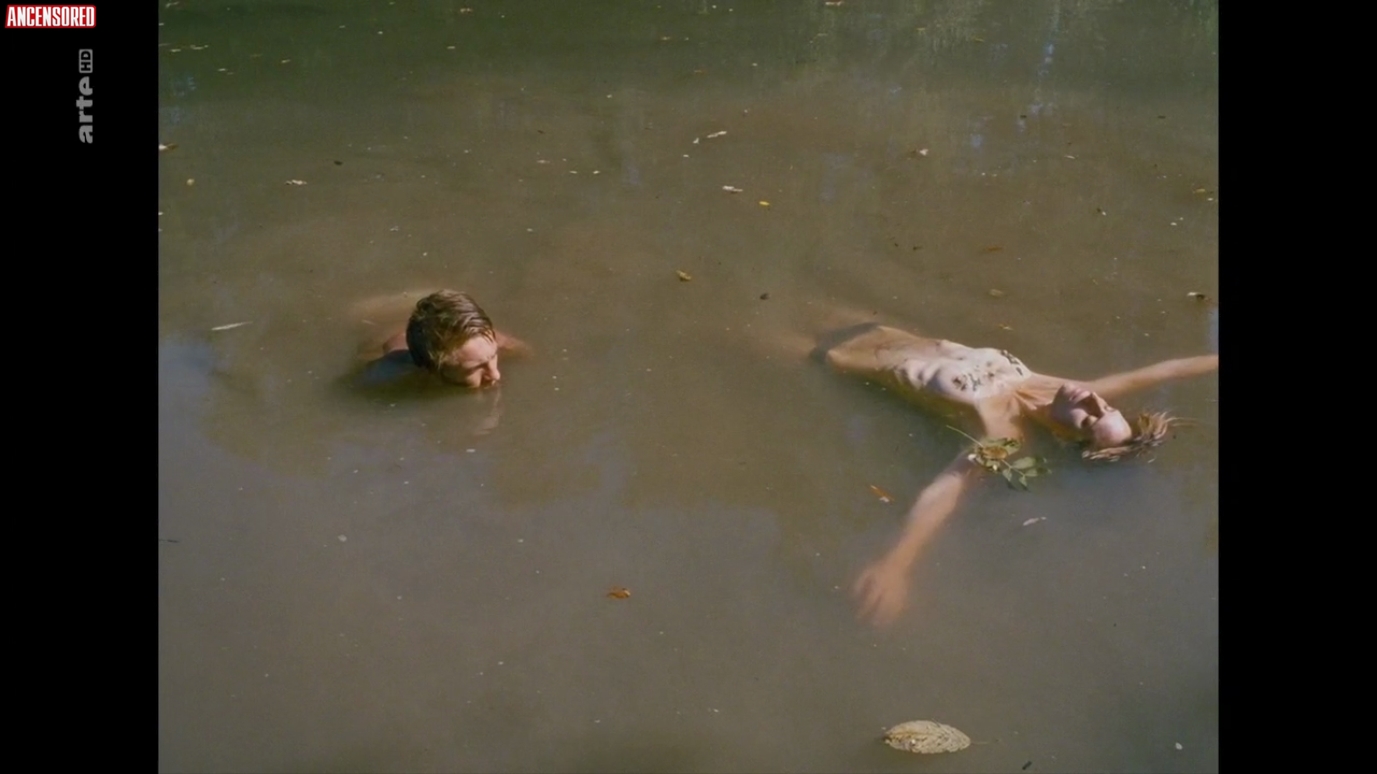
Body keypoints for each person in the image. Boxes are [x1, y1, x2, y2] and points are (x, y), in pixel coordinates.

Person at [797, 315, 1217, 627]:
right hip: (871, 326)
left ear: (1068, 439)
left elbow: (949, 489)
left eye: (1090, 420)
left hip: (824, 354)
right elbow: (1167, 371)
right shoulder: (1061, 388)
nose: (1093, 402)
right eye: (1105, 408)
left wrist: (897, 562)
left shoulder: (1005, 435)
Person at [352, 289, 529, 390]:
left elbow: (528, 355)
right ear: (431, 370)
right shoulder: (389, 371)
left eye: (493, 355)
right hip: (382, 323)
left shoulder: (486, 338)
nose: (496, 375)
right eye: (474, 368)